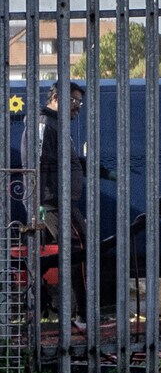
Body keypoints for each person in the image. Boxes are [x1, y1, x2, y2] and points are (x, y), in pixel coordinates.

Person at [35, 83, 88, 329]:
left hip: (60, 201)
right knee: (81, 250)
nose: (78, 107)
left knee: (75, 251)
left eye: (79, 103)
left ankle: (78, 313)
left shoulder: (57, 125)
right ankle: (83, 315)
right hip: (54, 202)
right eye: (74, 101)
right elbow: (36, 163)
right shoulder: (46, 124)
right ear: (56, 97)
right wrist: (39, 203)